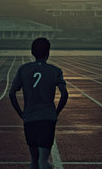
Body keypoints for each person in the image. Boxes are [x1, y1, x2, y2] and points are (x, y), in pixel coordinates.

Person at [9, 37, 68, 169]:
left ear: (32, 52)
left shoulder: (23, 69)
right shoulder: (55, 70)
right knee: (44, 161)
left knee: (34, 161)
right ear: (48, 53)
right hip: (47, 119)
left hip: (30, 119)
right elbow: (64, 93)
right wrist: (56, 112)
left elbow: (12, 93)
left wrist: (21, 114)